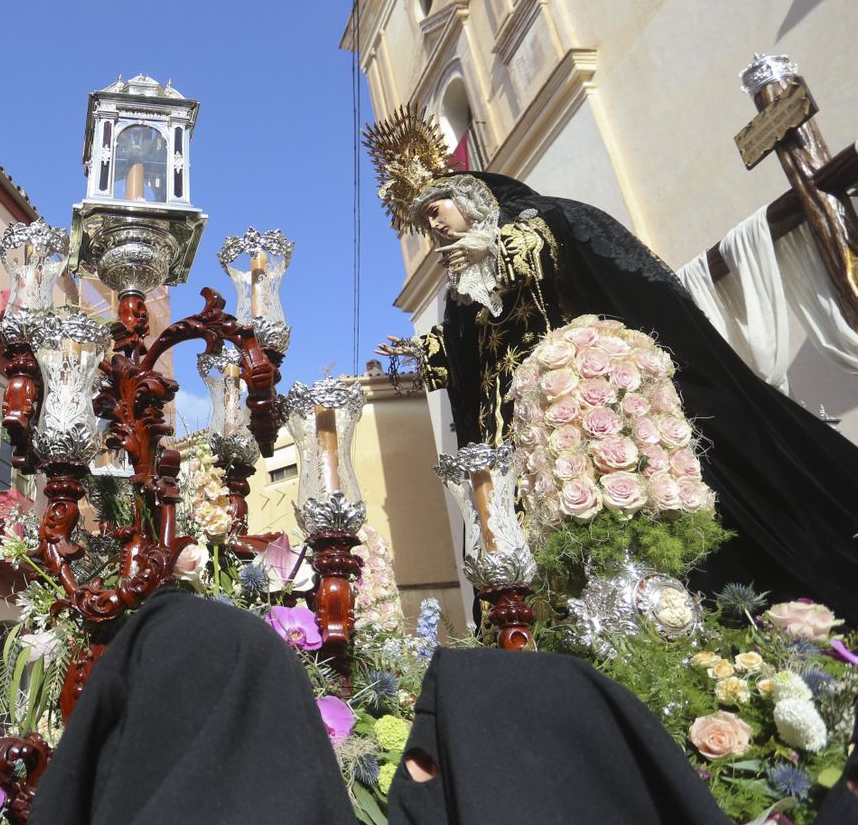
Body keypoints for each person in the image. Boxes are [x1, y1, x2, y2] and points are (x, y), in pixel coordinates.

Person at [365, 105, 858, 620]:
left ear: (469, 196)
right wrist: (430, 352)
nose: (433, 225)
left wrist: (496, 249)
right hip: (510, 432)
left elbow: (551, 250)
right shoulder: (459, 284)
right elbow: (473, 347)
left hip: (576, 398)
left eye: (436, 209)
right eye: (423, 221)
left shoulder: (535, 220)